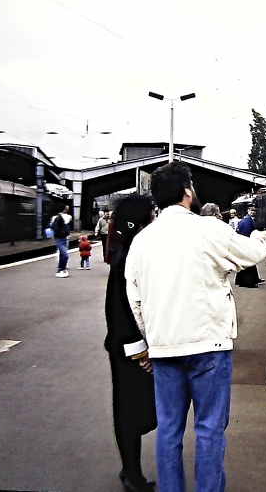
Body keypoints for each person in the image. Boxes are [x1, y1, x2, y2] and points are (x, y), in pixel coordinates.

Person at [125, 161, 266, 492]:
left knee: (169, 429)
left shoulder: (142, 241)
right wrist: (259, 238)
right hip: (209, 347)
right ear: (188, 192)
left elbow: (134, 299)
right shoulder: (208, 229)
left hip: (164, 349)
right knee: (209, 430)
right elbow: (250, 254)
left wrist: (151, 340)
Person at [104, 193, 157, 492]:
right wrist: (141, 352)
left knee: (137, 412)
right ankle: (131, 473)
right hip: (129, 351)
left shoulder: (130, 254)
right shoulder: (125, 260)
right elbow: (119, 313)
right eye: (151, 216)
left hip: (130, 349)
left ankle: (131, 471)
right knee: (130, 413)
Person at [235, 207, 264, 287]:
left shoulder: (246, 219)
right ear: (248, 211)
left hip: (244, 244)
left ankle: (240, 280)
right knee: (250, 263)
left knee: (246, 263)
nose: (253, 212)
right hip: (247, 244)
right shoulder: (248, 221)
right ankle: (249, 282)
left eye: (254, 211)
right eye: (252, 211)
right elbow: (247, 234)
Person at [51, 204, 72, 278]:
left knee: (62, 254)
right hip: (60, 238)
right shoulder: (59, 218)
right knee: (65, 254)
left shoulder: (61, 217)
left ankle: (60, 269)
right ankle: (62, 268)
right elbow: (55, 227)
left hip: (63, 237)